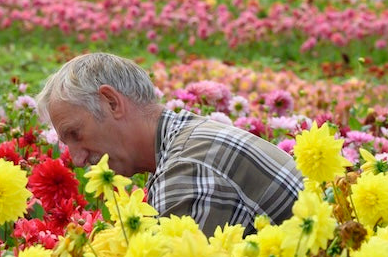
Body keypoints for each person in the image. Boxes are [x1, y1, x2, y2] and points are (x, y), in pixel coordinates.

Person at [35, 52, 303, 234]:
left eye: (76, 134)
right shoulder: (185, 143)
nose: (78, 159)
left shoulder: (188, 166)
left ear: (112, 103)